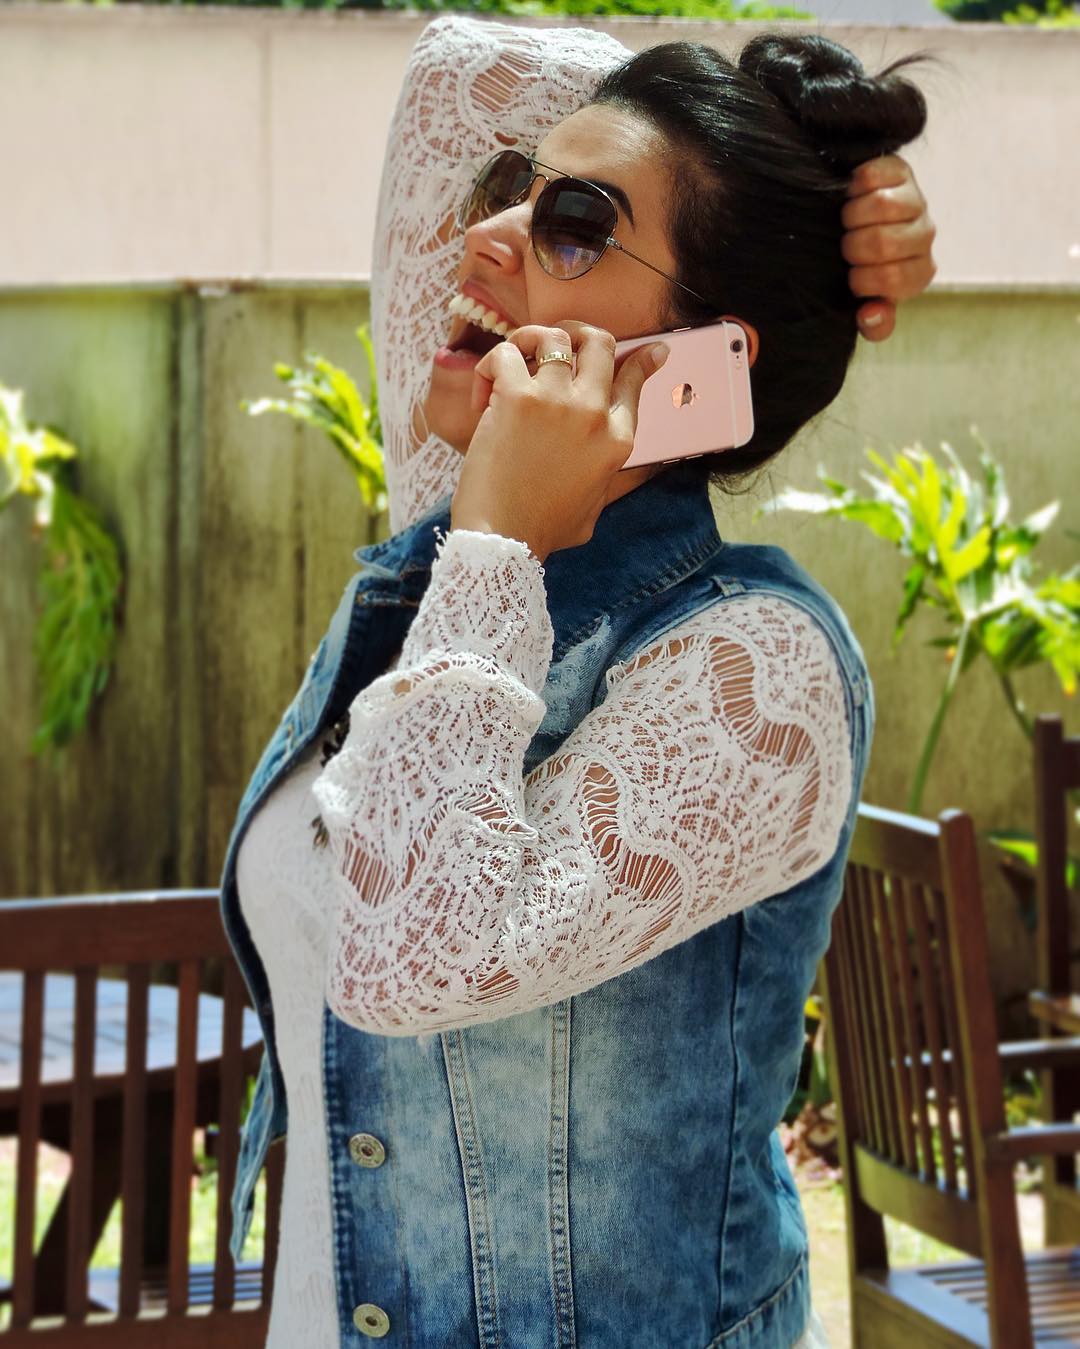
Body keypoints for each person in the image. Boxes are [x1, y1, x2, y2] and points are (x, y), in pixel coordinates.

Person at [219, 15, 937, 1348]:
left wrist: (498, 539)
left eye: (573, 226)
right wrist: (815, 170)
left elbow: (405, 961)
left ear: (699, 368)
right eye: (515, 189)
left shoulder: (756, 668)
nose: (480, 239)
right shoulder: (453, 538)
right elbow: (452, 80)